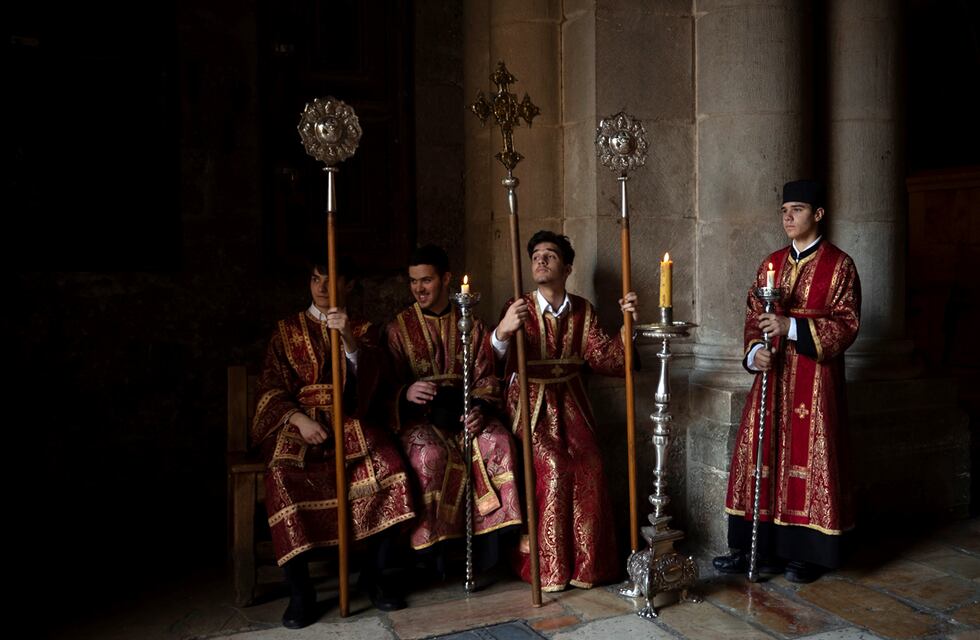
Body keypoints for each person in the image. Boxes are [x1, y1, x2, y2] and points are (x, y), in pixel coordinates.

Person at [251, 257, 416, 628]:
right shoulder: (287, 330)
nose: (322, 287)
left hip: (352, 420)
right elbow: (270, 387)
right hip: (302, 423)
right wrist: (298, 419)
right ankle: (301, 592)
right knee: (280, 476)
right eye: (315, 279)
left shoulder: (364, 329)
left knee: (392, 469)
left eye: (330, 280)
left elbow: (376, 385)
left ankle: (374, 576)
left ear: (350, 284)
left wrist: (350, 342)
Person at [712, 180, 861, 583]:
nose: (788, 218)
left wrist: (790, 325)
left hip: (814, 382)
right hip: (771, 379)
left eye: (797, 210)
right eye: (784, 211)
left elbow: (846, 324)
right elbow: (751, 317)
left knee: (809, 457)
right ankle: (754, 549)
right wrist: (752, 352)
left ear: (818, 214)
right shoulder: (770, 264)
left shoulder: (840, 265)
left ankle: (807, 553)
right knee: (760, 455)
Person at [492, 230, 638, 592]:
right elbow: (490, 361)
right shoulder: (518, 307)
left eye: (550, 255)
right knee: (554, 467)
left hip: (572, 404)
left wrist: (628, 326)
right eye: (536, 255)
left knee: (590, 464)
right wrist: (503, 331)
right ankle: (548, 567)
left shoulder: (582, 310)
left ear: (568, 267)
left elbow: (608, 359)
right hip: (530, 405)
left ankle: (589, 566)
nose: (540, 260)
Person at [386, 245, 522, 575]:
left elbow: (486, 376)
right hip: (421, 420)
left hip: (467, 414)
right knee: (431, 456)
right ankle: (433, 556)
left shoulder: (472, 326)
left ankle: (491, 553)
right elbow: (385, 383)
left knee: (498, 442)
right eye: (413, 281)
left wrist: (480, 409)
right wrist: (406, 392)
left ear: (446, 279)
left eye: (427, 280)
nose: (419, 288)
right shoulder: (397, 329)